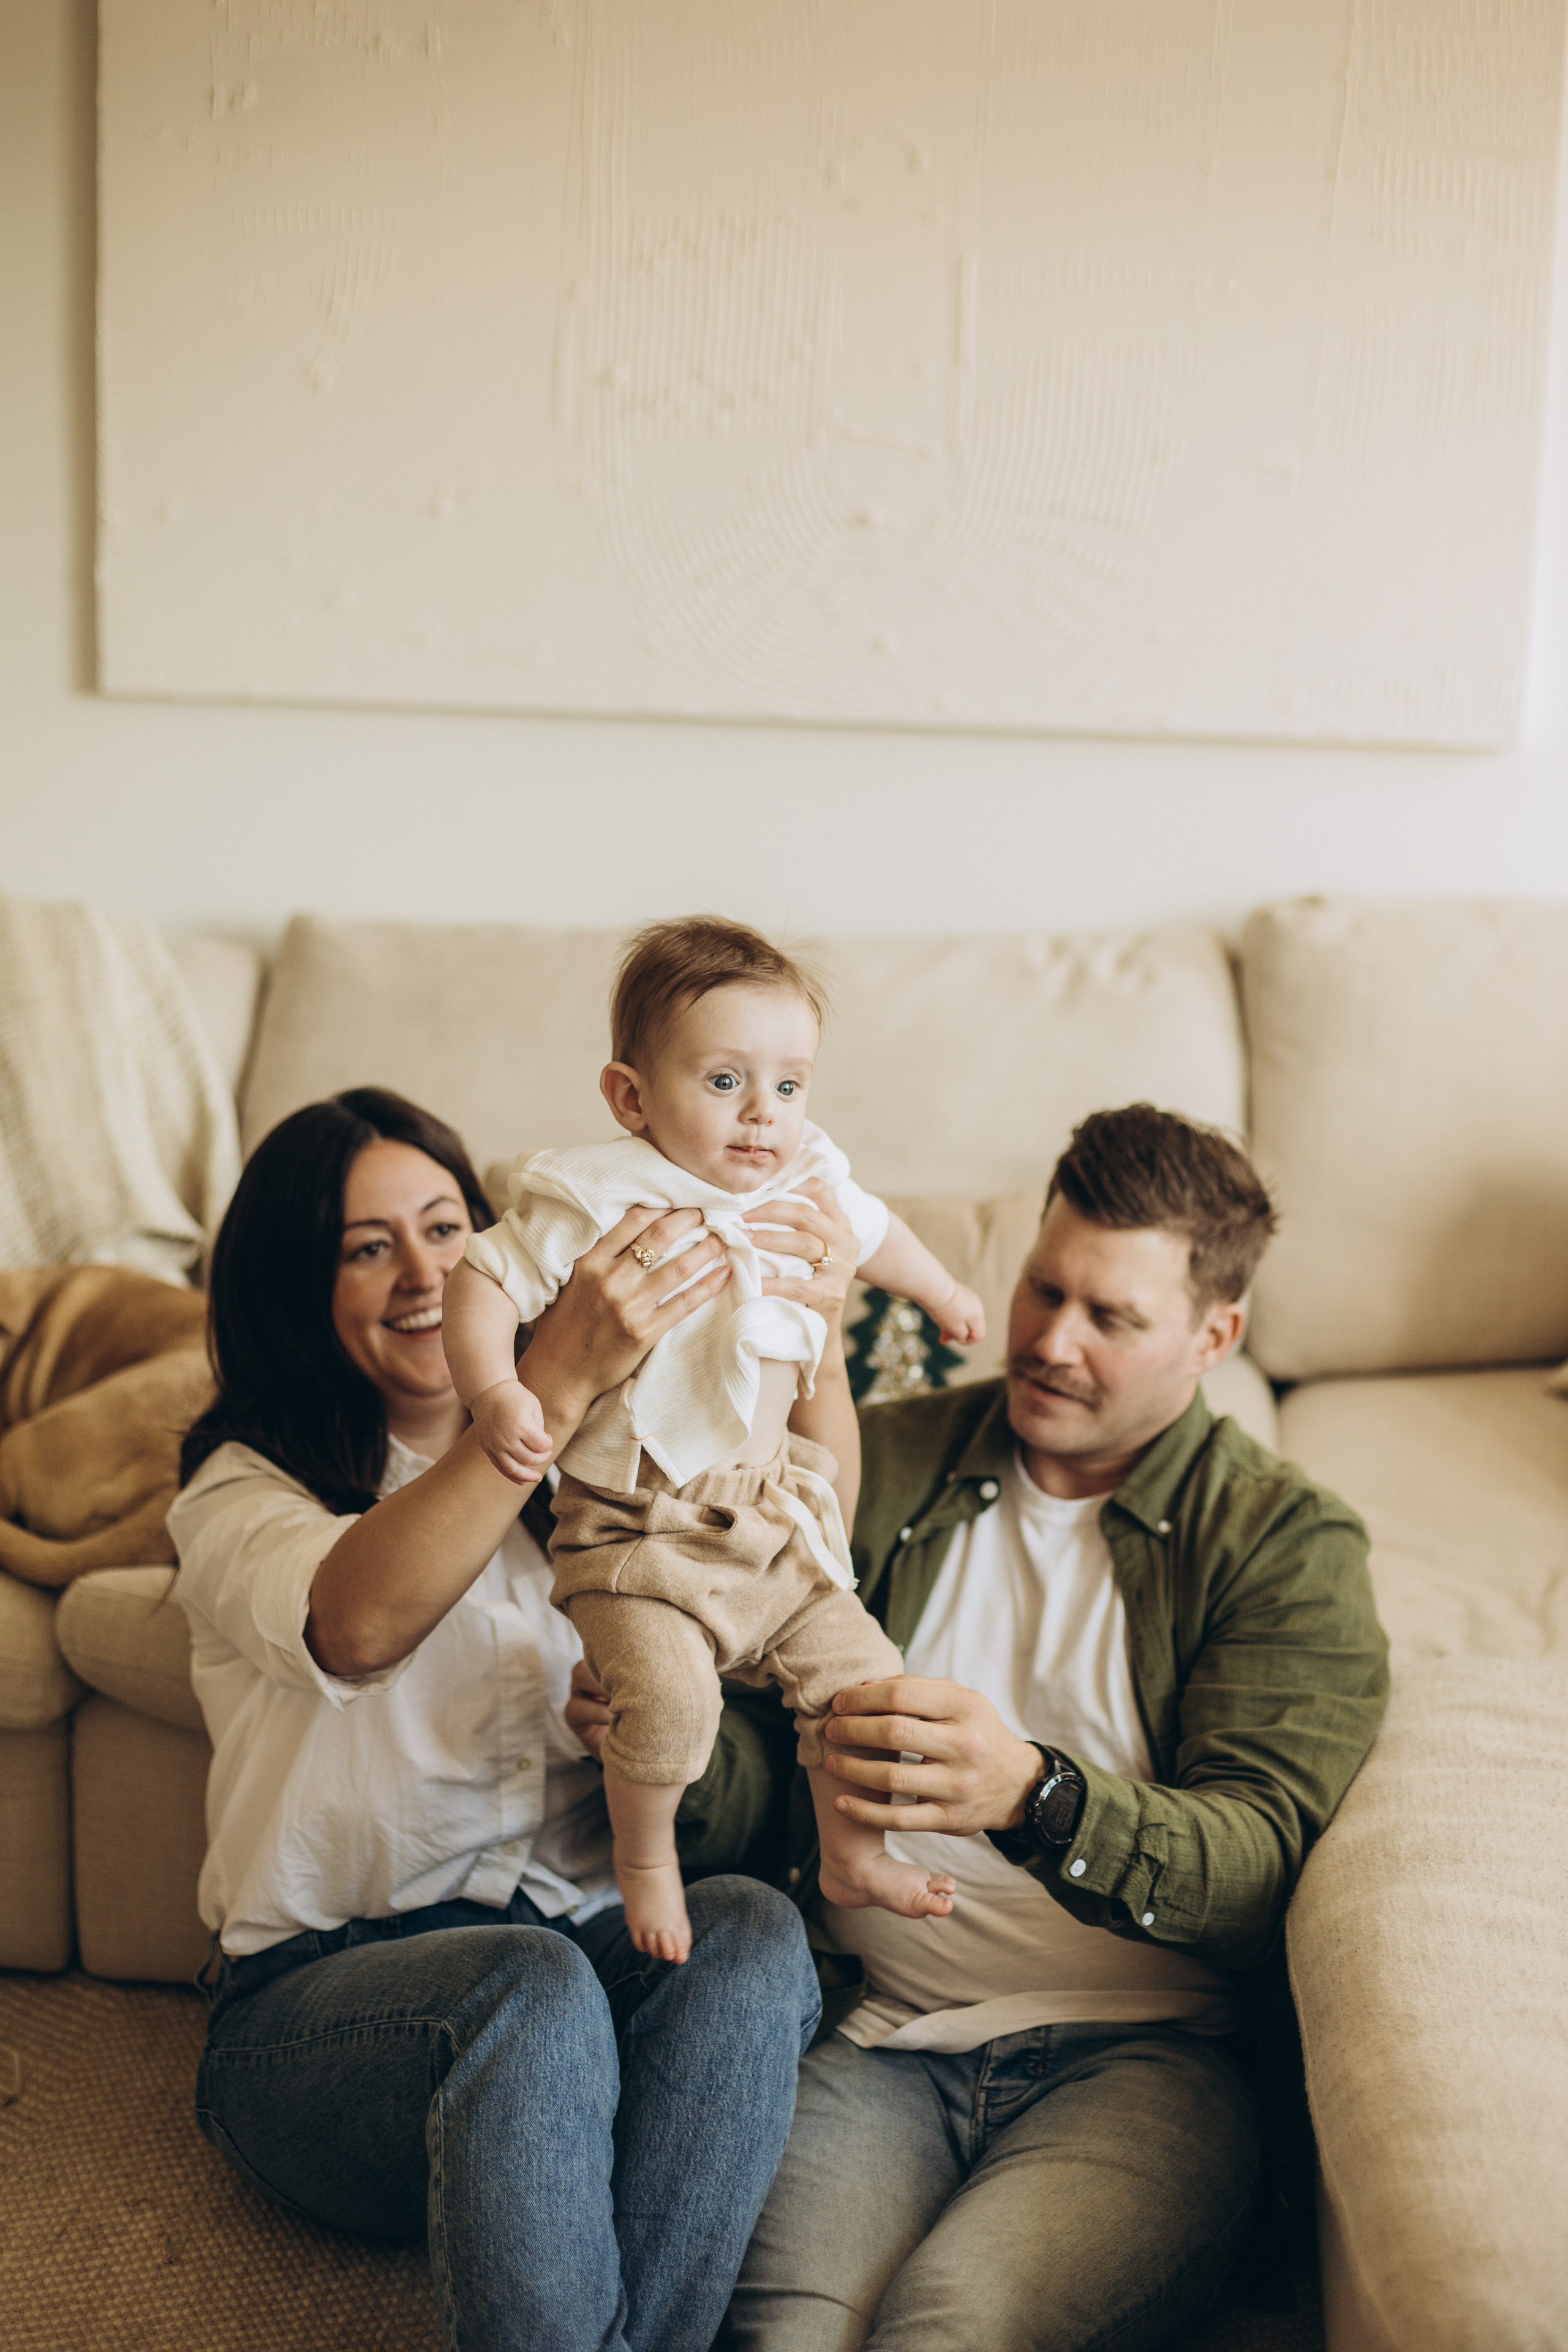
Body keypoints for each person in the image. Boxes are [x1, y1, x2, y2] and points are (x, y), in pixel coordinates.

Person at [576, 1102, 1389, 2352]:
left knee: (949, 2330)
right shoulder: (886, 1459)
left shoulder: (1283, 1541)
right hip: (878, 2032)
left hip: (1147, 2058)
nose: (1051, 1342)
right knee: (785, 2337)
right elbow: (759, 1759)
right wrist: (654, 1740)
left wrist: (1034, 1795)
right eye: (1042, 1289)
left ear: (1213, 1338)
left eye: (1110, 1317)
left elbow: (1259, 1867)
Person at [168, 1084, 841, 2352]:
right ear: (294, 1286)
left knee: (750, 1933)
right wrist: (547, 1383)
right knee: (523, 1987)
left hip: (571, 1962)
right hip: (322, 2017)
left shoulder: (599, 1493)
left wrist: (615, 1706)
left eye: (444, 1229)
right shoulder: (240, 1490)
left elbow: (787, 1557)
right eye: (367, 1249)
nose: (423, 1274)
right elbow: (358, 1625)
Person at [442, 916, 986, 1961]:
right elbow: (482, 1278)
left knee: (867, 1687)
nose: (762, 1113)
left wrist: (946, 1292)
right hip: (636, 1531)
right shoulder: (598, 1193)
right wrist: (497, 1390)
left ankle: (851, 1854)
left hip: (771, 1520)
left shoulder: (807, 1176)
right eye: (726, 1081)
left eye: (789, 1084)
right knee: (672, 1706)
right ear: (631, 1097)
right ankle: (647, 1862)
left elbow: (879, 1234)